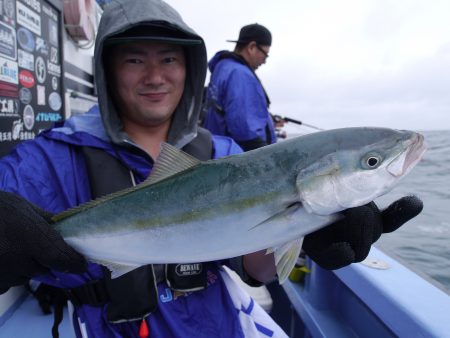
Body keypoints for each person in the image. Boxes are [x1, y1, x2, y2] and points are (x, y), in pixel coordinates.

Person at [0, 0, 423, 337]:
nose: (154, 76)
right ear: (107, 70)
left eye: (169, 59)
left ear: (189, 68)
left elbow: (255, 267)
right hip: (102, 324)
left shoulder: (223, 152)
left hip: (212, 320)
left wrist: (305, 235)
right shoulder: (52, 158)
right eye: (134, 60)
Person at [202, 23, 278, 151]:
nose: (264, 61)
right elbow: (244, 130)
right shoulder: (240, 74)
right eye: (265, 54)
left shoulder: (222, 68)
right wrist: (270, 158)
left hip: (219, 150)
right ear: (252, 47)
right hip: (239, 158)